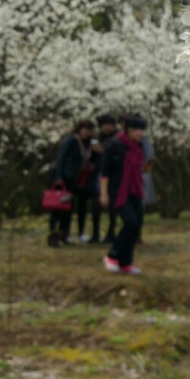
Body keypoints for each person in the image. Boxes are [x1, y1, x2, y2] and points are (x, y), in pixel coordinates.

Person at [101, 115, 147, 275]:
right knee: (130, 222)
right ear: (128, 130)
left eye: (142, 130)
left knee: (137, 224)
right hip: (117, 190)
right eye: (137, 130)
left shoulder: (138, 146)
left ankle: (126, 262)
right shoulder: (115, 145)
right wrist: (104, 193)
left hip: (134, 189)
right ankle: (112, 256)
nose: (141, 133)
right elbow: (105, 172)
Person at [48, 119, 96, 247]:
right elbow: (61, 158)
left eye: (89, 130)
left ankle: (65, 234)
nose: (87, 133)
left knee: (68, 207)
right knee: (58, 207)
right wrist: (59, 177)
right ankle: (54, 233)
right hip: (63, 177)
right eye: (85, 129)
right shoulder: (71, 140)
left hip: (73, 179)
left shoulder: (87, 144)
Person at [92, 115, 118, 243]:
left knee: (113, 206)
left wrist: (103, 150)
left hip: (113, 175)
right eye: (104, 125)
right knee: (96, 205)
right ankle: (95, 233)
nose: (107, 127)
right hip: (98, 173)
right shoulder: (96, 139)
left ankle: (111, 232)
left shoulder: (117, 138)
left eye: (109, 125)